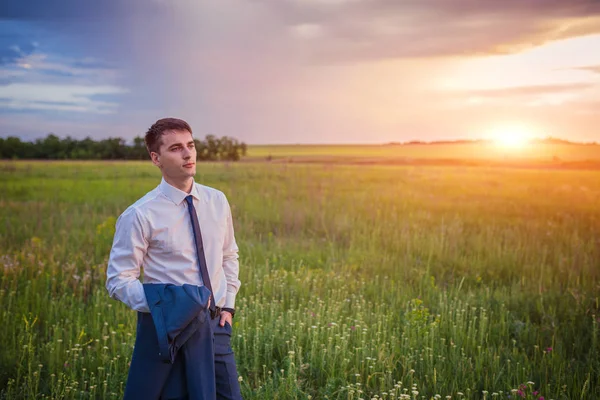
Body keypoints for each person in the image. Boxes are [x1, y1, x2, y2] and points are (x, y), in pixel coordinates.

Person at [106, 117, 243, 399]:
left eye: (191, 145)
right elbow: (118, 281)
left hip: (216, 327)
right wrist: (166, 307)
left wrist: (228, 307)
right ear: (156, 158)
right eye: (176, 148)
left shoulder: (217, 201)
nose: (188, 153)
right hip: (170, 330)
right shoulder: (140, 214)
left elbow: (229, 255)